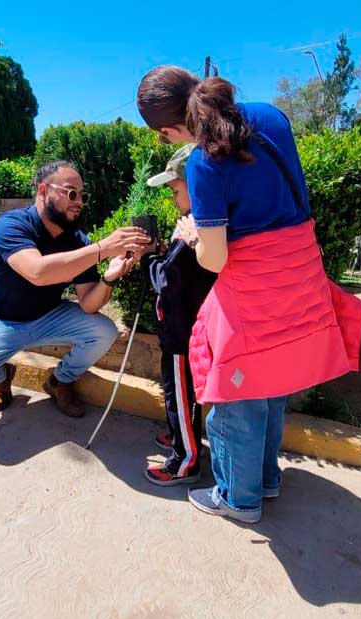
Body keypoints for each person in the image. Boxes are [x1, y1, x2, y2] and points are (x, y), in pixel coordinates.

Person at [137, 66, 361, 523]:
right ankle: (266, 480)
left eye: (165, 138)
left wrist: (193, 234)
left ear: (167, 129)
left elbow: (215, 260)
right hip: (301, 275)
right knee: (272, 385)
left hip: (254, 293)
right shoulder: (270, 117)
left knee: (233, 402)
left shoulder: (202, 163)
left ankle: (239, 499)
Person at [0, 160, 151, 418]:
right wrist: (102, 248)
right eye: (71, 193)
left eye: (82, 196)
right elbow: (38, 272)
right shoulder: (11, 225)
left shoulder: (78, 241)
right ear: (43, 191)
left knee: (103, 330)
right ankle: (2, 375)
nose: (79, 202)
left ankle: (59, 380)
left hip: (48, 317)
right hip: (0, 320)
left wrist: (109, 278)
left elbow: (88, 303)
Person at [141, 143, 217, 486]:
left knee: (181, 394)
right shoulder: (195, 227)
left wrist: (148, 259)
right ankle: (182, 435)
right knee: (181, 393)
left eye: (175, 188)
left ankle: (185, 461)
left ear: (197, 184)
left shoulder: (195, 232)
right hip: (179, 327)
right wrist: (163, 252)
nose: (172, 196)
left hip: (180, 331)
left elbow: (165, 281)